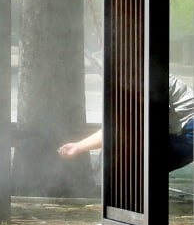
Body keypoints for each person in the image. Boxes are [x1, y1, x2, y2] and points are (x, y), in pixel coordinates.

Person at [58, 74, 194, 172]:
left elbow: (121, 129)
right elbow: (120, 127)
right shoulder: (139, 84)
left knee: (133, 162)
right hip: (179, 131)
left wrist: (79, 147)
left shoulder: (152, 84)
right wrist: (79, 146)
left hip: (187, 131)